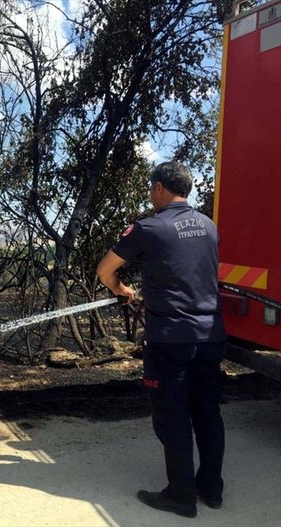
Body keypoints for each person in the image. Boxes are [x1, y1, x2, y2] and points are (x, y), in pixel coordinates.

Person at [96, 161, 226, 519]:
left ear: (158, 189)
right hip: (211, 335)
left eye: (151, 189)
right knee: (208, 413)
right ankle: (211, 489)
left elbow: (105, 270)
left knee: (172, 416)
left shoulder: (149, 227)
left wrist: (123, 290)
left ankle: (180, 496)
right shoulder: (208, 225)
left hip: (171, 340)